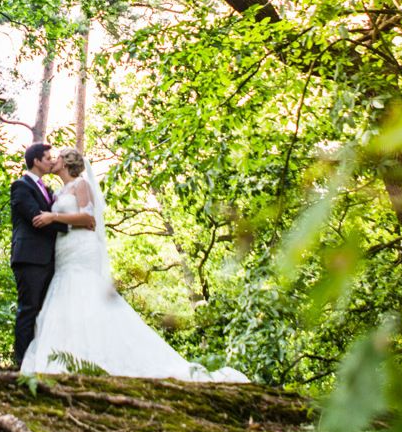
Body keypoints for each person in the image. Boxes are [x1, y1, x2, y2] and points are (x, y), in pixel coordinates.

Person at [20, 146, 247, 382]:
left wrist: (54, 217)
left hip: (82, 248)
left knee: (85, 292)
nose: (52, 161)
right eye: (50, 158)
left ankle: (96, 356)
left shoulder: (81, 185)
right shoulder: (57, 192)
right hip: (63, 249)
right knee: (65, 295)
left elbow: (89, 219)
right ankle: (68, 355)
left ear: (66, 163)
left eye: (56, 158)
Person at [9, 142, 69, 364]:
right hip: (29, 258)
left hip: (49, 258)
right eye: (47, 158)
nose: (51, 161)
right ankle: (22, 363)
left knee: (44, 312)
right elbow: (36, 218)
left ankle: (40, 362)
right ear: (36, 161)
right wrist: (68, 226)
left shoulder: (47, 189)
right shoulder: (21, 186)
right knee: (29, 309)